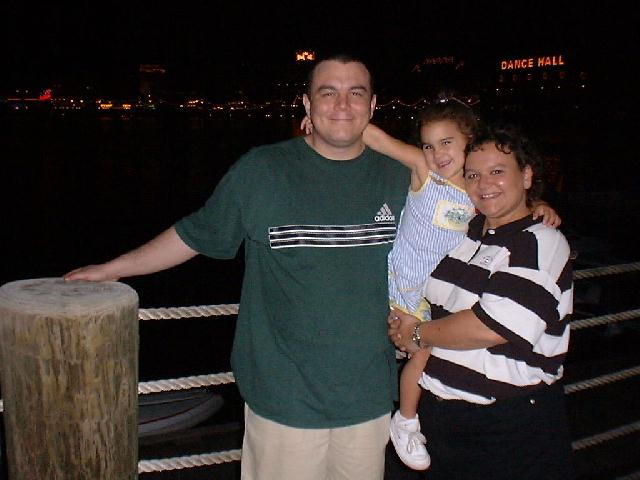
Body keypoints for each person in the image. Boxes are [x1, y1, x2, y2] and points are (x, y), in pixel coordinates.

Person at [64, 54, 411, 480]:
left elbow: (453, 200)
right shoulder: (263, 170)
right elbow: (195, 235)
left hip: (368, 395)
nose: (342, 104)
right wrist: (113, 268)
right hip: (284, 396)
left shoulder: (399, 178)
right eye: (328, 93)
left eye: (355, 93)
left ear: (373, 105)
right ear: (307, 104)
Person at [308, 101, 560, 471]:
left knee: (421, 353)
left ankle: (405, 420)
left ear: (468, 143)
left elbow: (507, 200)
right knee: (406, 350)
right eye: (428, 145)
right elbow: (379, 139)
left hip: (499, 404)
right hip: (403, 285)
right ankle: (391, 419)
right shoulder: (430, 178)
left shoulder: (489, 210)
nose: (437, 153)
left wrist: (539, 204)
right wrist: (326, 124)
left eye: (446, 143)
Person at [388, 123, 575, 479]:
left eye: (497, 171)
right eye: (473, 174)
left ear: (527, 175)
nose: (484, 183)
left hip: (507, 426)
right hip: (442, 418)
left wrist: (417, 334)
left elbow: (490, 327)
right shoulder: (465, 235)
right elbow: (431, 300)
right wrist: (402, 322)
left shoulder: (538, 242)